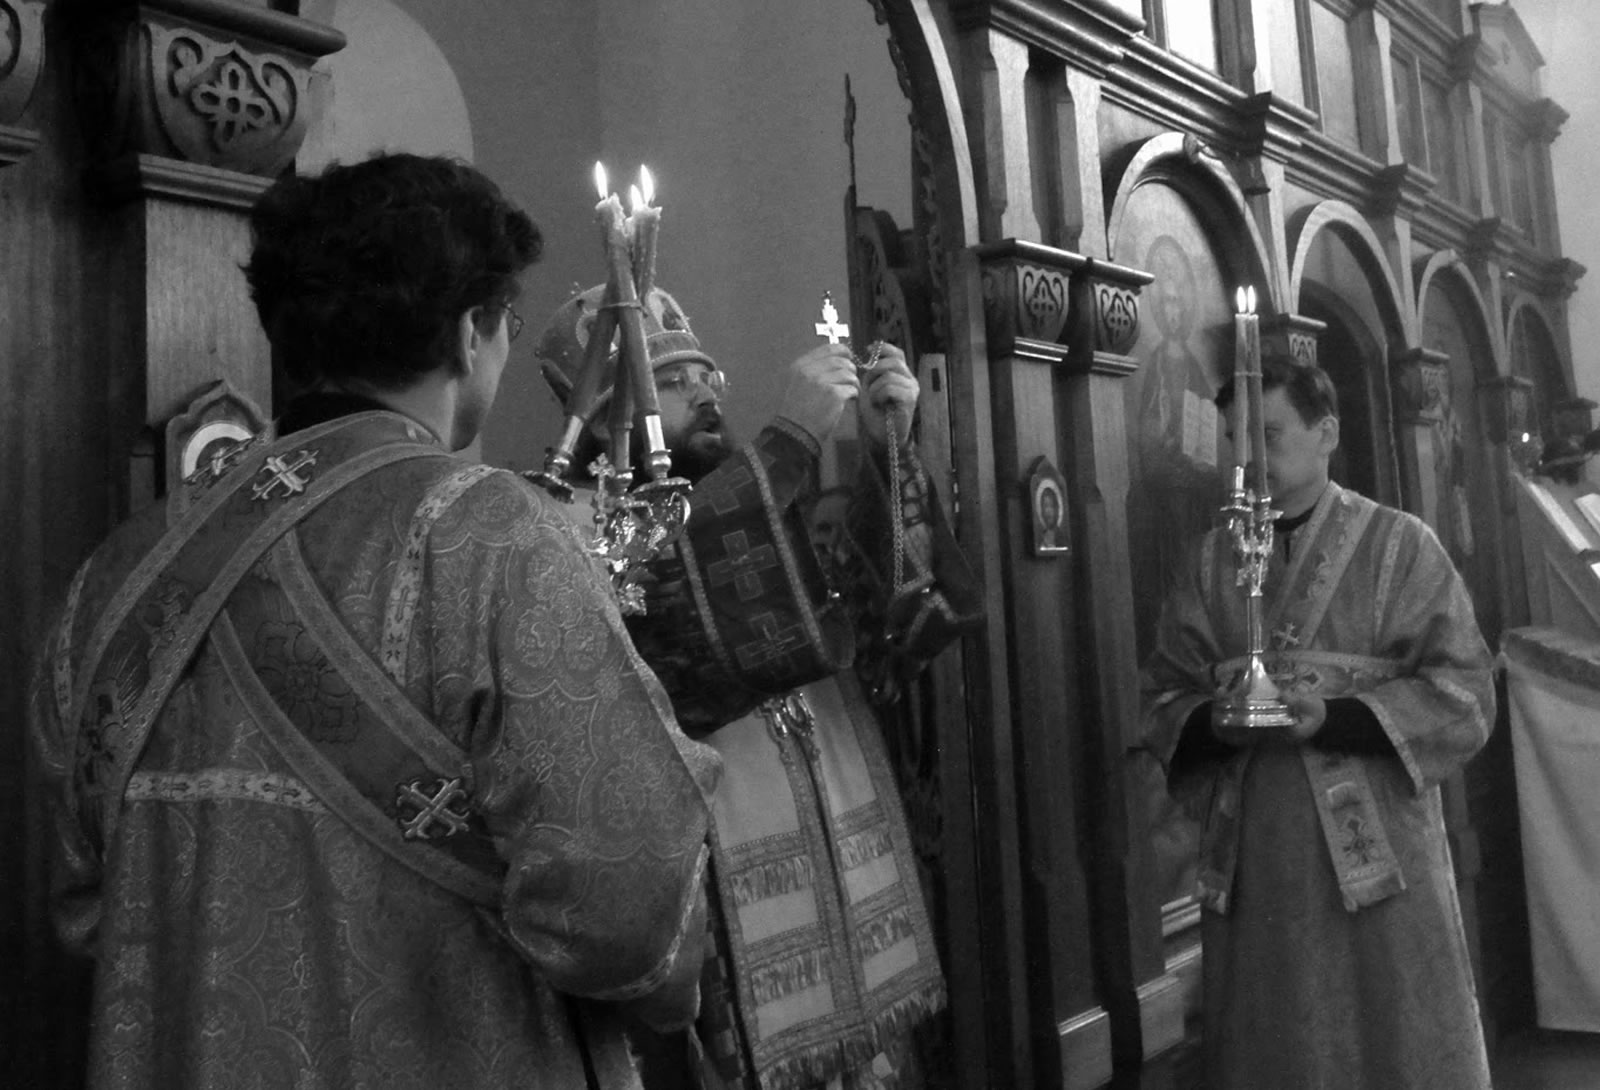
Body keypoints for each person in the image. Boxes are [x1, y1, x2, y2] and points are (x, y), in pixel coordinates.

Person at [27, 153, 721, 1089]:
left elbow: (83, 899)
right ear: (472, 331)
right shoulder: (490, 535)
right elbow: (628, 907)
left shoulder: (119, 570)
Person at [536, 284, 982, 1090]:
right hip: (715, 901)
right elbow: (665, 602)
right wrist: (785, 445)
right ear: (606, 419)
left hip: (841, 852)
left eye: (706, 375)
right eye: (673, 383)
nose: (705, 392)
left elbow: (891, 628)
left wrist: (889, 448)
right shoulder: (579, 528)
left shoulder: (766, 512)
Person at [1139, 354, 1495, 1089]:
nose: (1247, 459)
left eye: (1267, 435)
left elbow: (1465, 690)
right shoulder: (1210, 562)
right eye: (1235, 439)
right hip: (1257, 858)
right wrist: (1216, 724)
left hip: (1380, 858)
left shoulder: (1401, 545)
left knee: (1390, 1035)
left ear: (1326, 432)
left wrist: (1336, 719)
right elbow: (1164, 697)